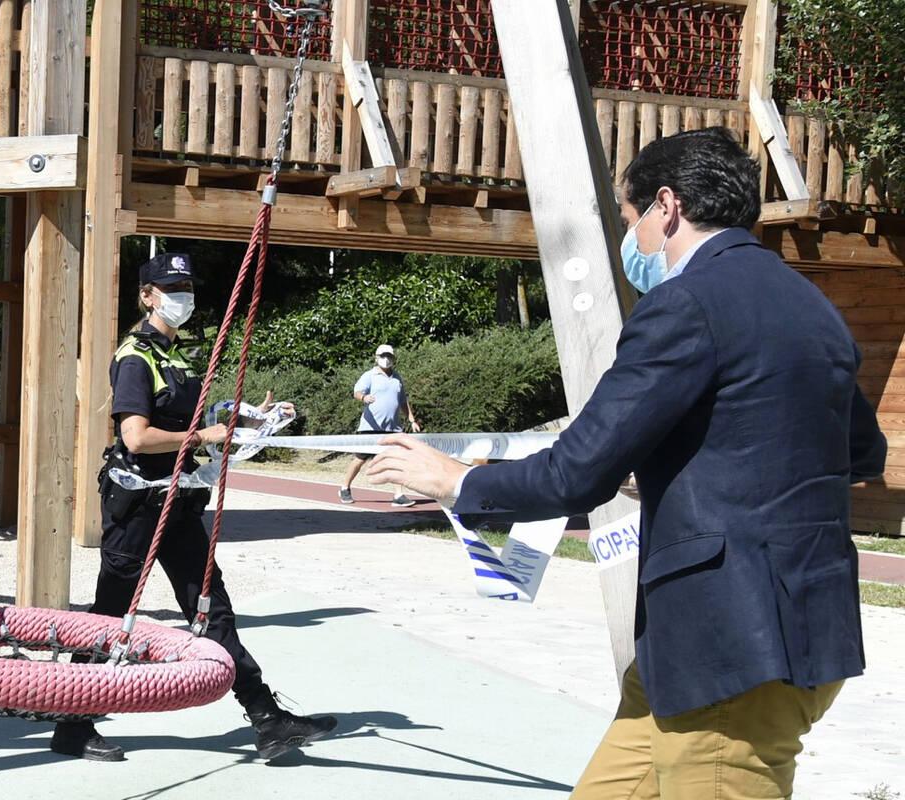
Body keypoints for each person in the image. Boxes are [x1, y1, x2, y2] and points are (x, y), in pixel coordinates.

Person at [363, 127, 887, 799]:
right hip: (773, 634)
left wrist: (457, 481)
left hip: (729, 644)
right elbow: (859, 451)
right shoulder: (811, 306)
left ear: (667, 207)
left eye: (631, 216)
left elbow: (576, 473)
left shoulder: (683, 304)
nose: (631, 236)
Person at [50, 252, 337, 763]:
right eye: (171, 288)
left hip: (179, 504)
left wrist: (246, 421)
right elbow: (136, 438)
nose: (183, 296)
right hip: (137, 507)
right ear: (146, 295)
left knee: (212, 609)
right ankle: (72, 723)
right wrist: (203, 433)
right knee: (110, 616)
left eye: (186, 287)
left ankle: (266, 718)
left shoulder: (178, 356)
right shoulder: (135, 357)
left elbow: (194, 420)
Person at [339, 343, 421, 506]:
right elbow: (357, 392)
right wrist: (364, 398)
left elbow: (403, 401)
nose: (386, 359)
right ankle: (344, 487)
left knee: (395, 460)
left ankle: (398, 495)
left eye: (389, 356)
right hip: (370, 427)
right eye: (383, 356)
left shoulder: (397, 378)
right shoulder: (370, 375)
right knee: (360, 459)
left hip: (392, 428)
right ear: (376, 358)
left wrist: (411, 420)